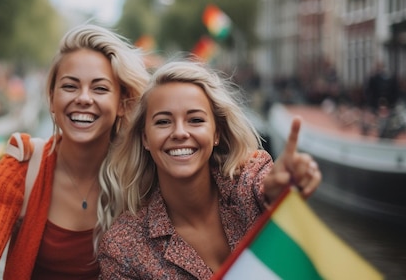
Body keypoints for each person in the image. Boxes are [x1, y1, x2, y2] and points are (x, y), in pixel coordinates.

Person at [0, 24, 150, 279]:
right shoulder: (20, 167)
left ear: (122, 103)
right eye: (70, 86)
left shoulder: (142, 177)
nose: (84, 98)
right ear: (51, 99)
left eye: (100, 88)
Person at [96, 60, 322, 279]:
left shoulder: (248, 182)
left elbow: (267, 188)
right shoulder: (123, 247)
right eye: (163, 122)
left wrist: (279, 192)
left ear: (216, 133)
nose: (180, 133)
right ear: (145, 138)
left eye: (195, 120)